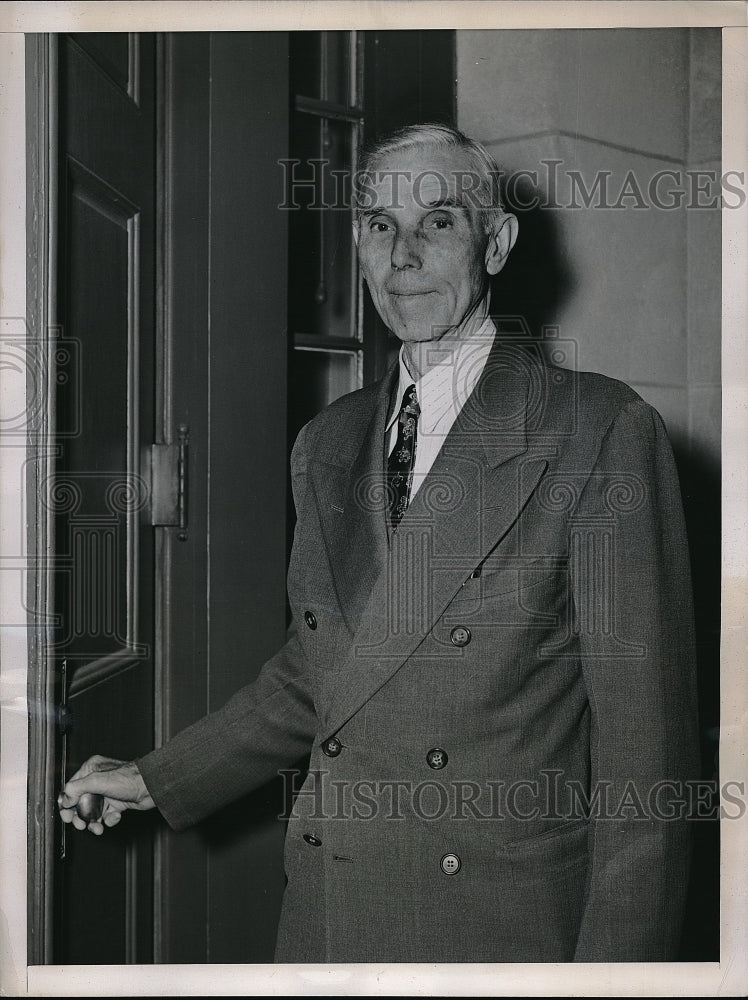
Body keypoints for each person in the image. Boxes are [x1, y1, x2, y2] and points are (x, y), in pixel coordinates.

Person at [58, 123, 699, 963]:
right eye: (377, 224)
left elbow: (645, 756)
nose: (404, 255)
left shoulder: (597, 427)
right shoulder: (328, 441)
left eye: (439, 221)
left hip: (499, 928)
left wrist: (617, 981)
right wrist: (158, 777)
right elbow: (321, 672)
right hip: (332, 910)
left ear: (495, 244)